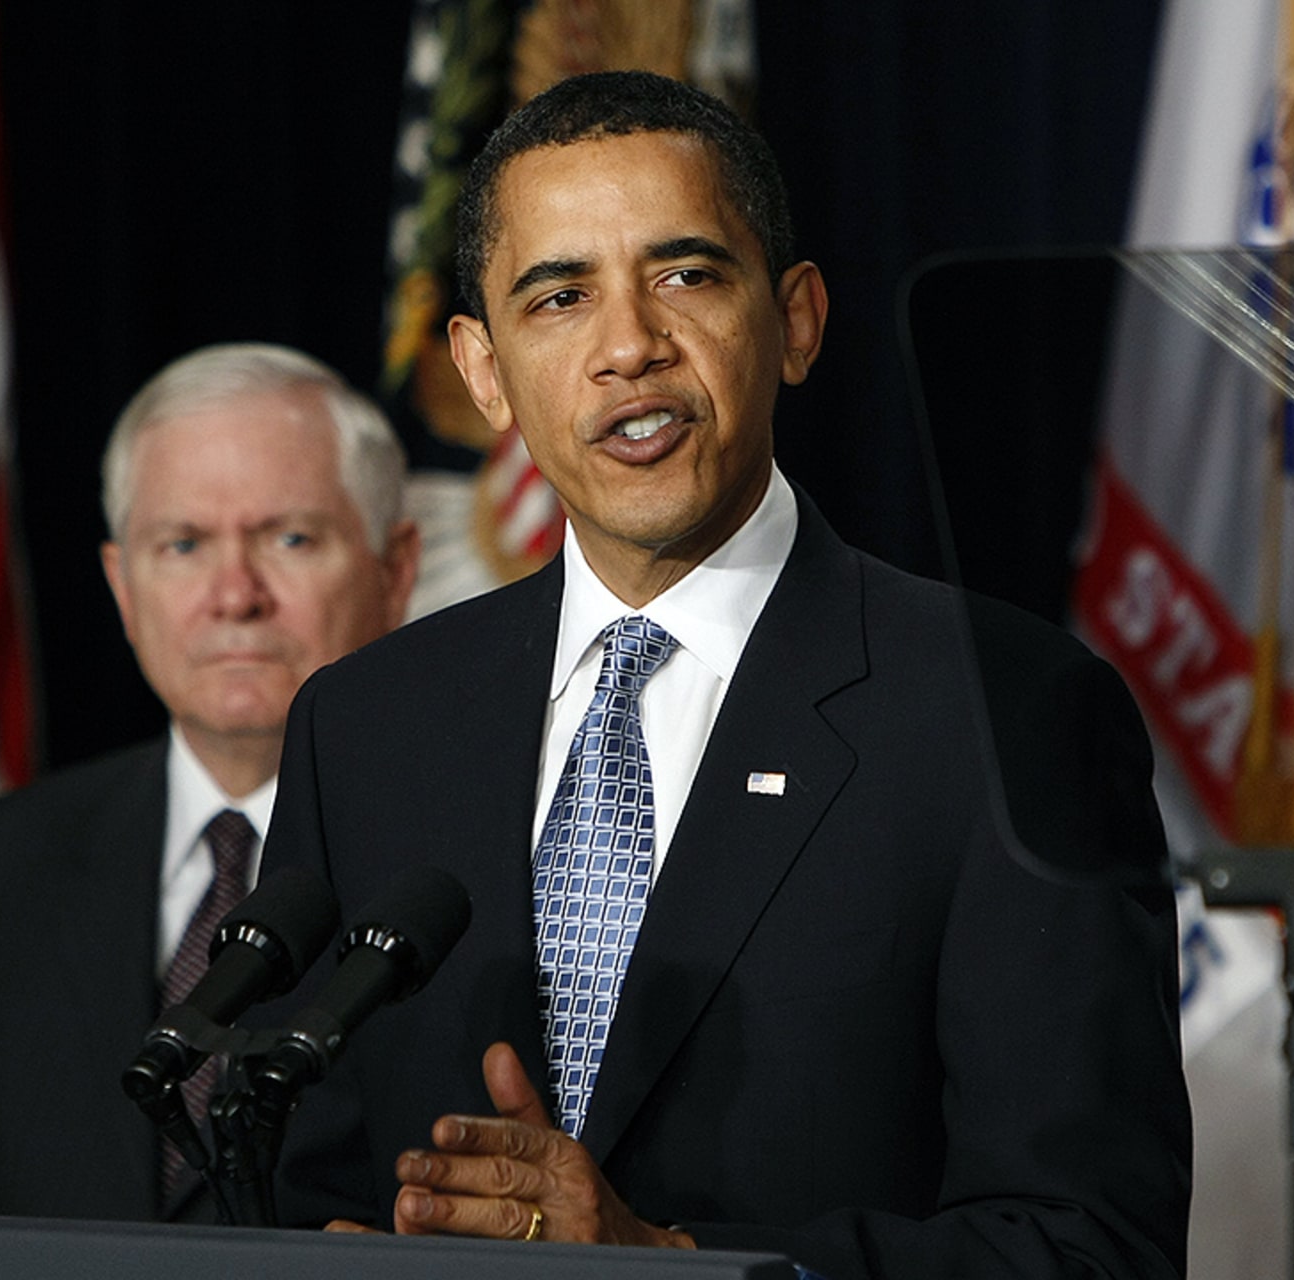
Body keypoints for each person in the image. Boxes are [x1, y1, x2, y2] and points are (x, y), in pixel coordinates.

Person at [260, 72, 1191, 1279]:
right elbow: (307, 1190)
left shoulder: (1003, 712)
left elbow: (1092, 1242)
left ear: (796, 320)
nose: (630, 345)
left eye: (687, 275)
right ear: (483, 371)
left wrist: (673, 1259)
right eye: (560, 297)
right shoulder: (366, 724)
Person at [0, 342, 421, 1221]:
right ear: (122, 586)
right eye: (183, 544)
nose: (234, 594)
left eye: (290, 537)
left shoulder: (472, 870)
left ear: (396, 570)